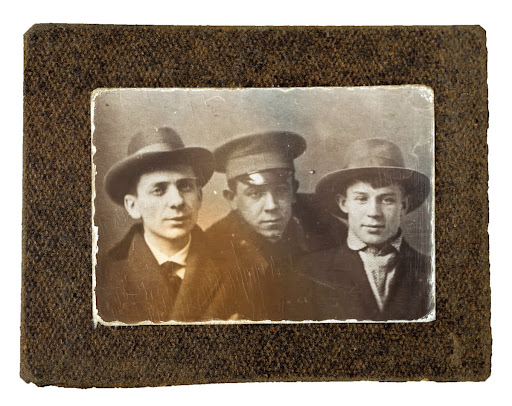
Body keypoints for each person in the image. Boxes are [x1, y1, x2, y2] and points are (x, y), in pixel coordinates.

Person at [95, 127, 234, 324]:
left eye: (185, 186)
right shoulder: (102, 276)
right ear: (133, 206)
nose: (177, 201)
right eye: (159, 190)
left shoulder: (238, 266)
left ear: (199, 196)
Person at [288, 138, 434, 321]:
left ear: (403, 206)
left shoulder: (430, 269)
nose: (374, 213)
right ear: (344, 203)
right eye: (362, 199)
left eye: (387, 200)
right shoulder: (309, 271)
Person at [205, 131, 344, 321]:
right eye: (255, 194)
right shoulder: (212, 247)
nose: (271, 206)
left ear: (293, 192)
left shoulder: (327, 229)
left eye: (281, 190)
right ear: (232, 199)